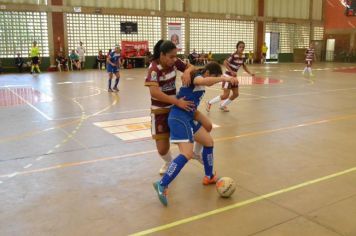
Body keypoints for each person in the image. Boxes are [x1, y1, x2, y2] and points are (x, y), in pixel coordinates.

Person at [153, 62, 238, 206]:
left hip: (188, 117)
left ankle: (209, 176)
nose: (213, 81)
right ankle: (162, 184)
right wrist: (224, 79)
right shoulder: (196, 77)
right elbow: (203, 81)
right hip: (179, 118)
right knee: (186, 153)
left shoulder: (197, 76)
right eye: (214, 77)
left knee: (208, 141)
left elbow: (199, 78)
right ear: (208, 73)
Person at [145, 40, 212, 175]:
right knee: (163, 149)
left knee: (207, 126)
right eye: (171, 57)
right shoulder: (154, 69)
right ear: (162, 55)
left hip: (179, 106)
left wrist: (187, 71)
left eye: (176, 56)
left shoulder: (174, 62)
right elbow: (155, 93)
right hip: (161, 110)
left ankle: (196, 153)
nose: (175, 59)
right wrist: (177, 102)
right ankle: (168, 162)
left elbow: (191, 66)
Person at [206, 41, 255, 112]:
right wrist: (231, 71)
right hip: (228, 77)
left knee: (236, 94)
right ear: (237, 47)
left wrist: (250, 73)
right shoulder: (233, 55)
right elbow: (225, 63)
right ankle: (209, 102)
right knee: (225, 95)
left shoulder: (243, 56)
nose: (242, 48)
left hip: (234, 78)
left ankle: (222, 105)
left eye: (243, 47)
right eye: (240, 47)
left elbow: (244, 66)